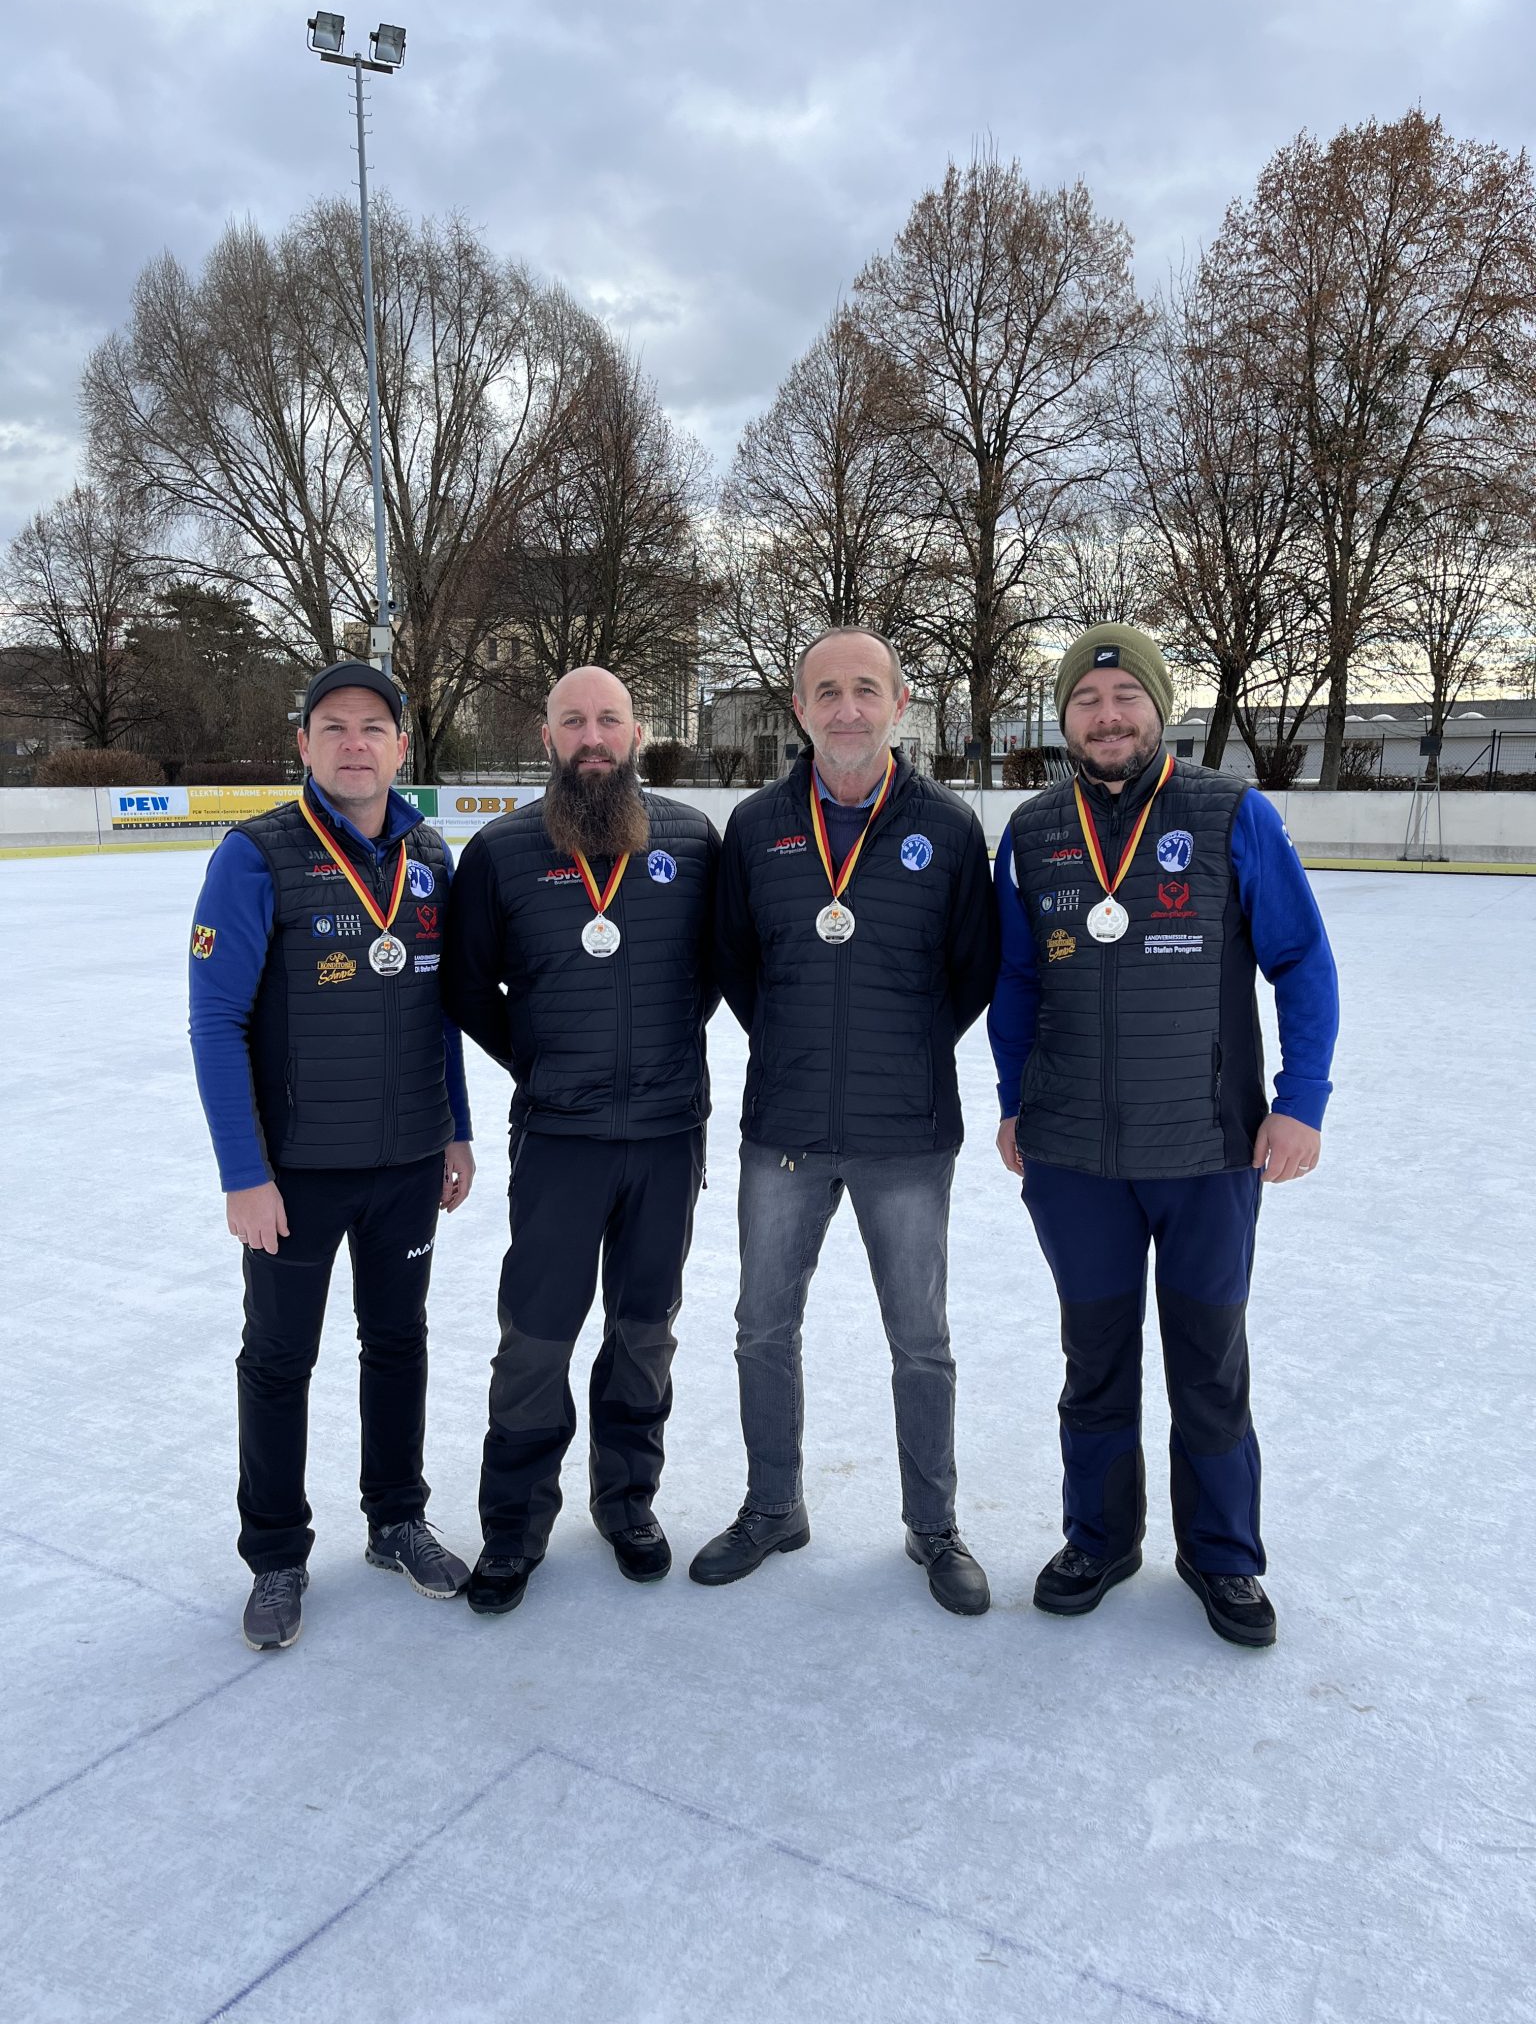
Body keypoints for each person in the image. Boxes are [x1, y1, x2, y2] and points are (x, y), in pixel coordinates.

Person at [989, 623, 1339, 1647]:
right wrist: (1013, 1100)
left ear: (1158, 707)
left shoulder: (1232, 813)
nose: (1107, 717)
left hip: (1206, 1151)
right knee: (1094, 1359)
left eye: (1125, 698)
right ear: (1065, 719)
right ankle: (1099, 1538)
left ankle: (1223, 1555)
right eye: (1086, 701)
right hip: (1073, 1159)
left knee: (1208, 1362)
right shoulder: (1033, 831)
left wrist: (1301, 1100)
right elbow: (1016, 979)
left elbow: (1303, 962)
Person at [690, 627, 1000, 1616]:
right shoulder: (756, 827)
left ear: (900, 702)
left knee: (920, 1339)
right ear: (800, 708)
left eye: (867, 689)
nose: (848, 708)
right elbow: (737, 963)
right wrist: (798, 1039)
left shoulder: (948, 827)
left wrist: (900, 1047)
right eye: (827, 691)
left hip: (906, 1132)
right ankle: (773, 1506)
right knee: (761, 1329)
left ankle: (933, 1524)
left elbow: (973, 971)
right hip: (784, 1127)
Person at [189, 660, 476, 1654]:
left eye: (373, 727)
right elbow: (215, 1021)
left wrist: (455, 1125)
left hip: (406, 1162)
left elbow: (441, 1007)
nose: (356, 743)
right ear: (304, 745)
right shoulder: (255, 855)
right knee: (279, 1359)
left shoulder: (430, 854)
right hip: (296, 1173)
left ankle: (397, 1520)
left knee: (398, 1342)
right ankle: (275, 1551)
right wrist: (243, 1173)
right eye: (334, 727)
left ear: (401, 745)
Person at [443, 666, 720, 1616]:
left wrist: (663, 1052)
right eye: (573, 721)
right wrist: (541, 1059)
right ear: (548, 737)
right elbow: (468, 987)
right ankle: (513, 1526)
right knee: (535, 1338)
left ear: (636, 733)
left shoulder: (692, 840)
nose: (592, 737)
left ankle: (627, 1501)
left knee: (644, 1332)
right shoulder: (502, 852)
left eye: (608, 720)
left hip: (667, 1136)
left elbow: (712, 972)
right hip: (559, 1139)